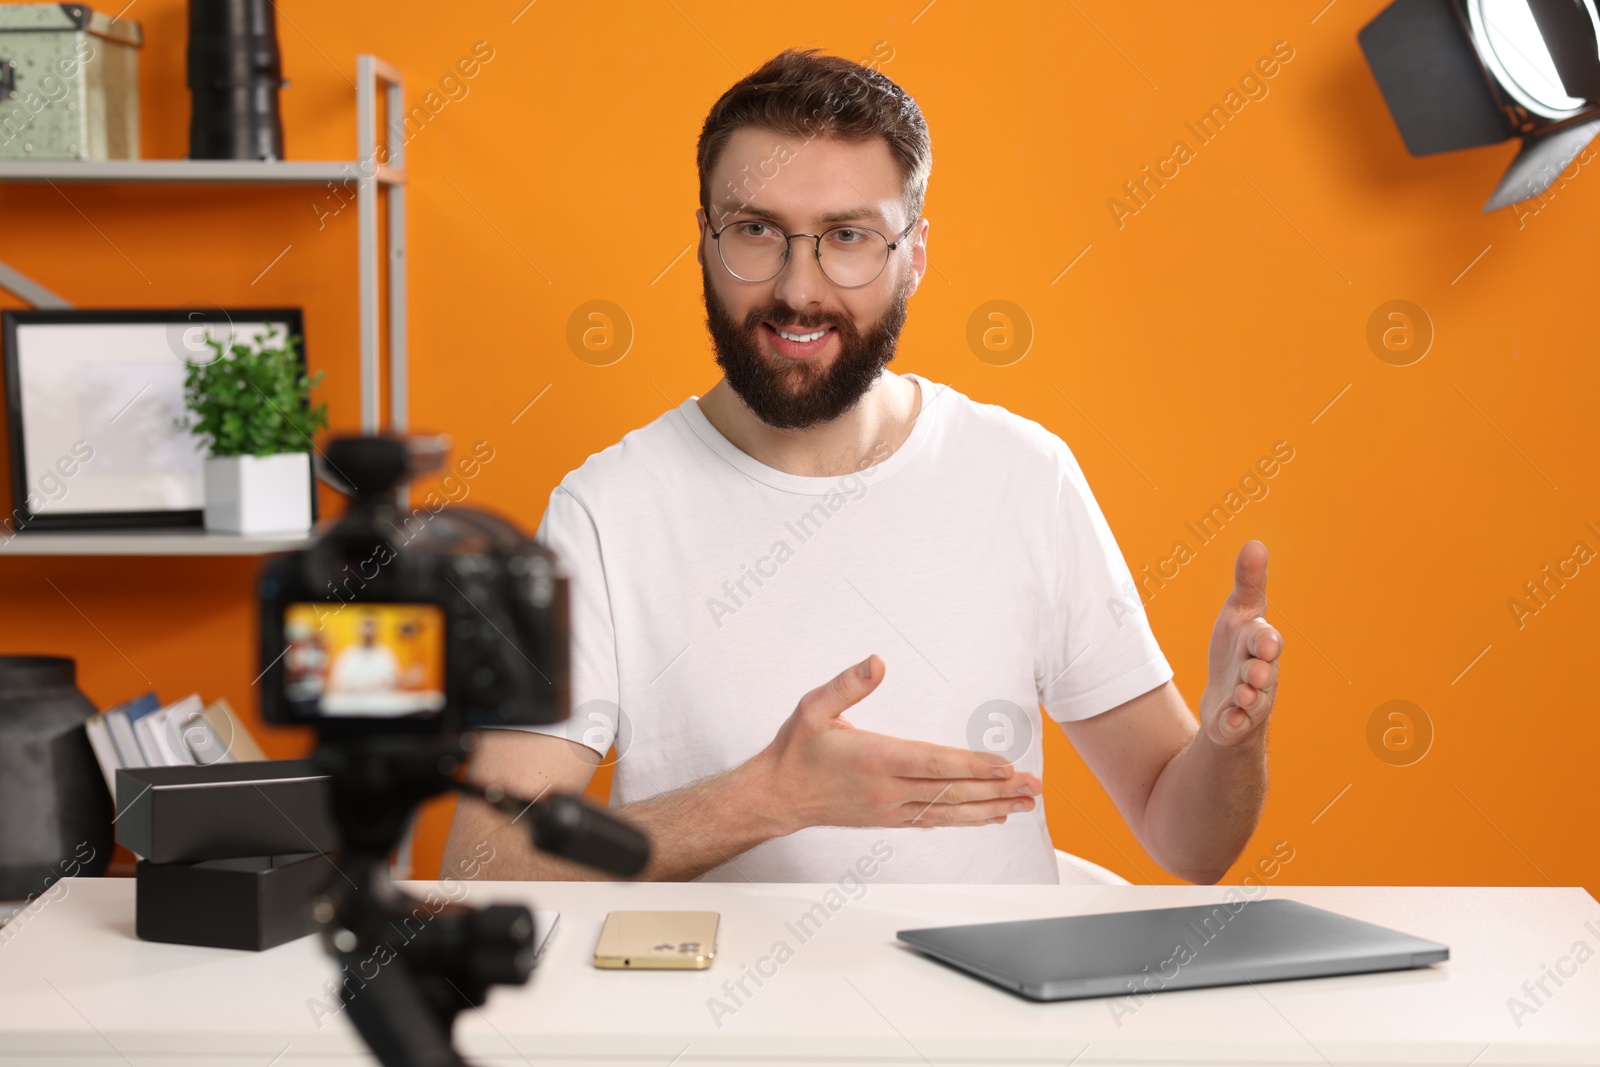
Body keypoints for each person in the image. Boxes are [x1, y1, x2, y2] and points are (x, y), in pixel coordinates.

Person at [443, 48, 1283, 884]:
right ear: (704, 240)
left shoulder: (1024, 475)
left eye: (849, 237)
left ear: (914, 253)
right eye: (756, 230)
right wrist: (764, 799)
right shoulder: (604, 512)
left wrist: (1227, 745)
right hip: (713, 1014)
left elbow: (1192, 843)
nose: (799, 289)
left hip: (994, 1012)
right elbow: (483, 864)